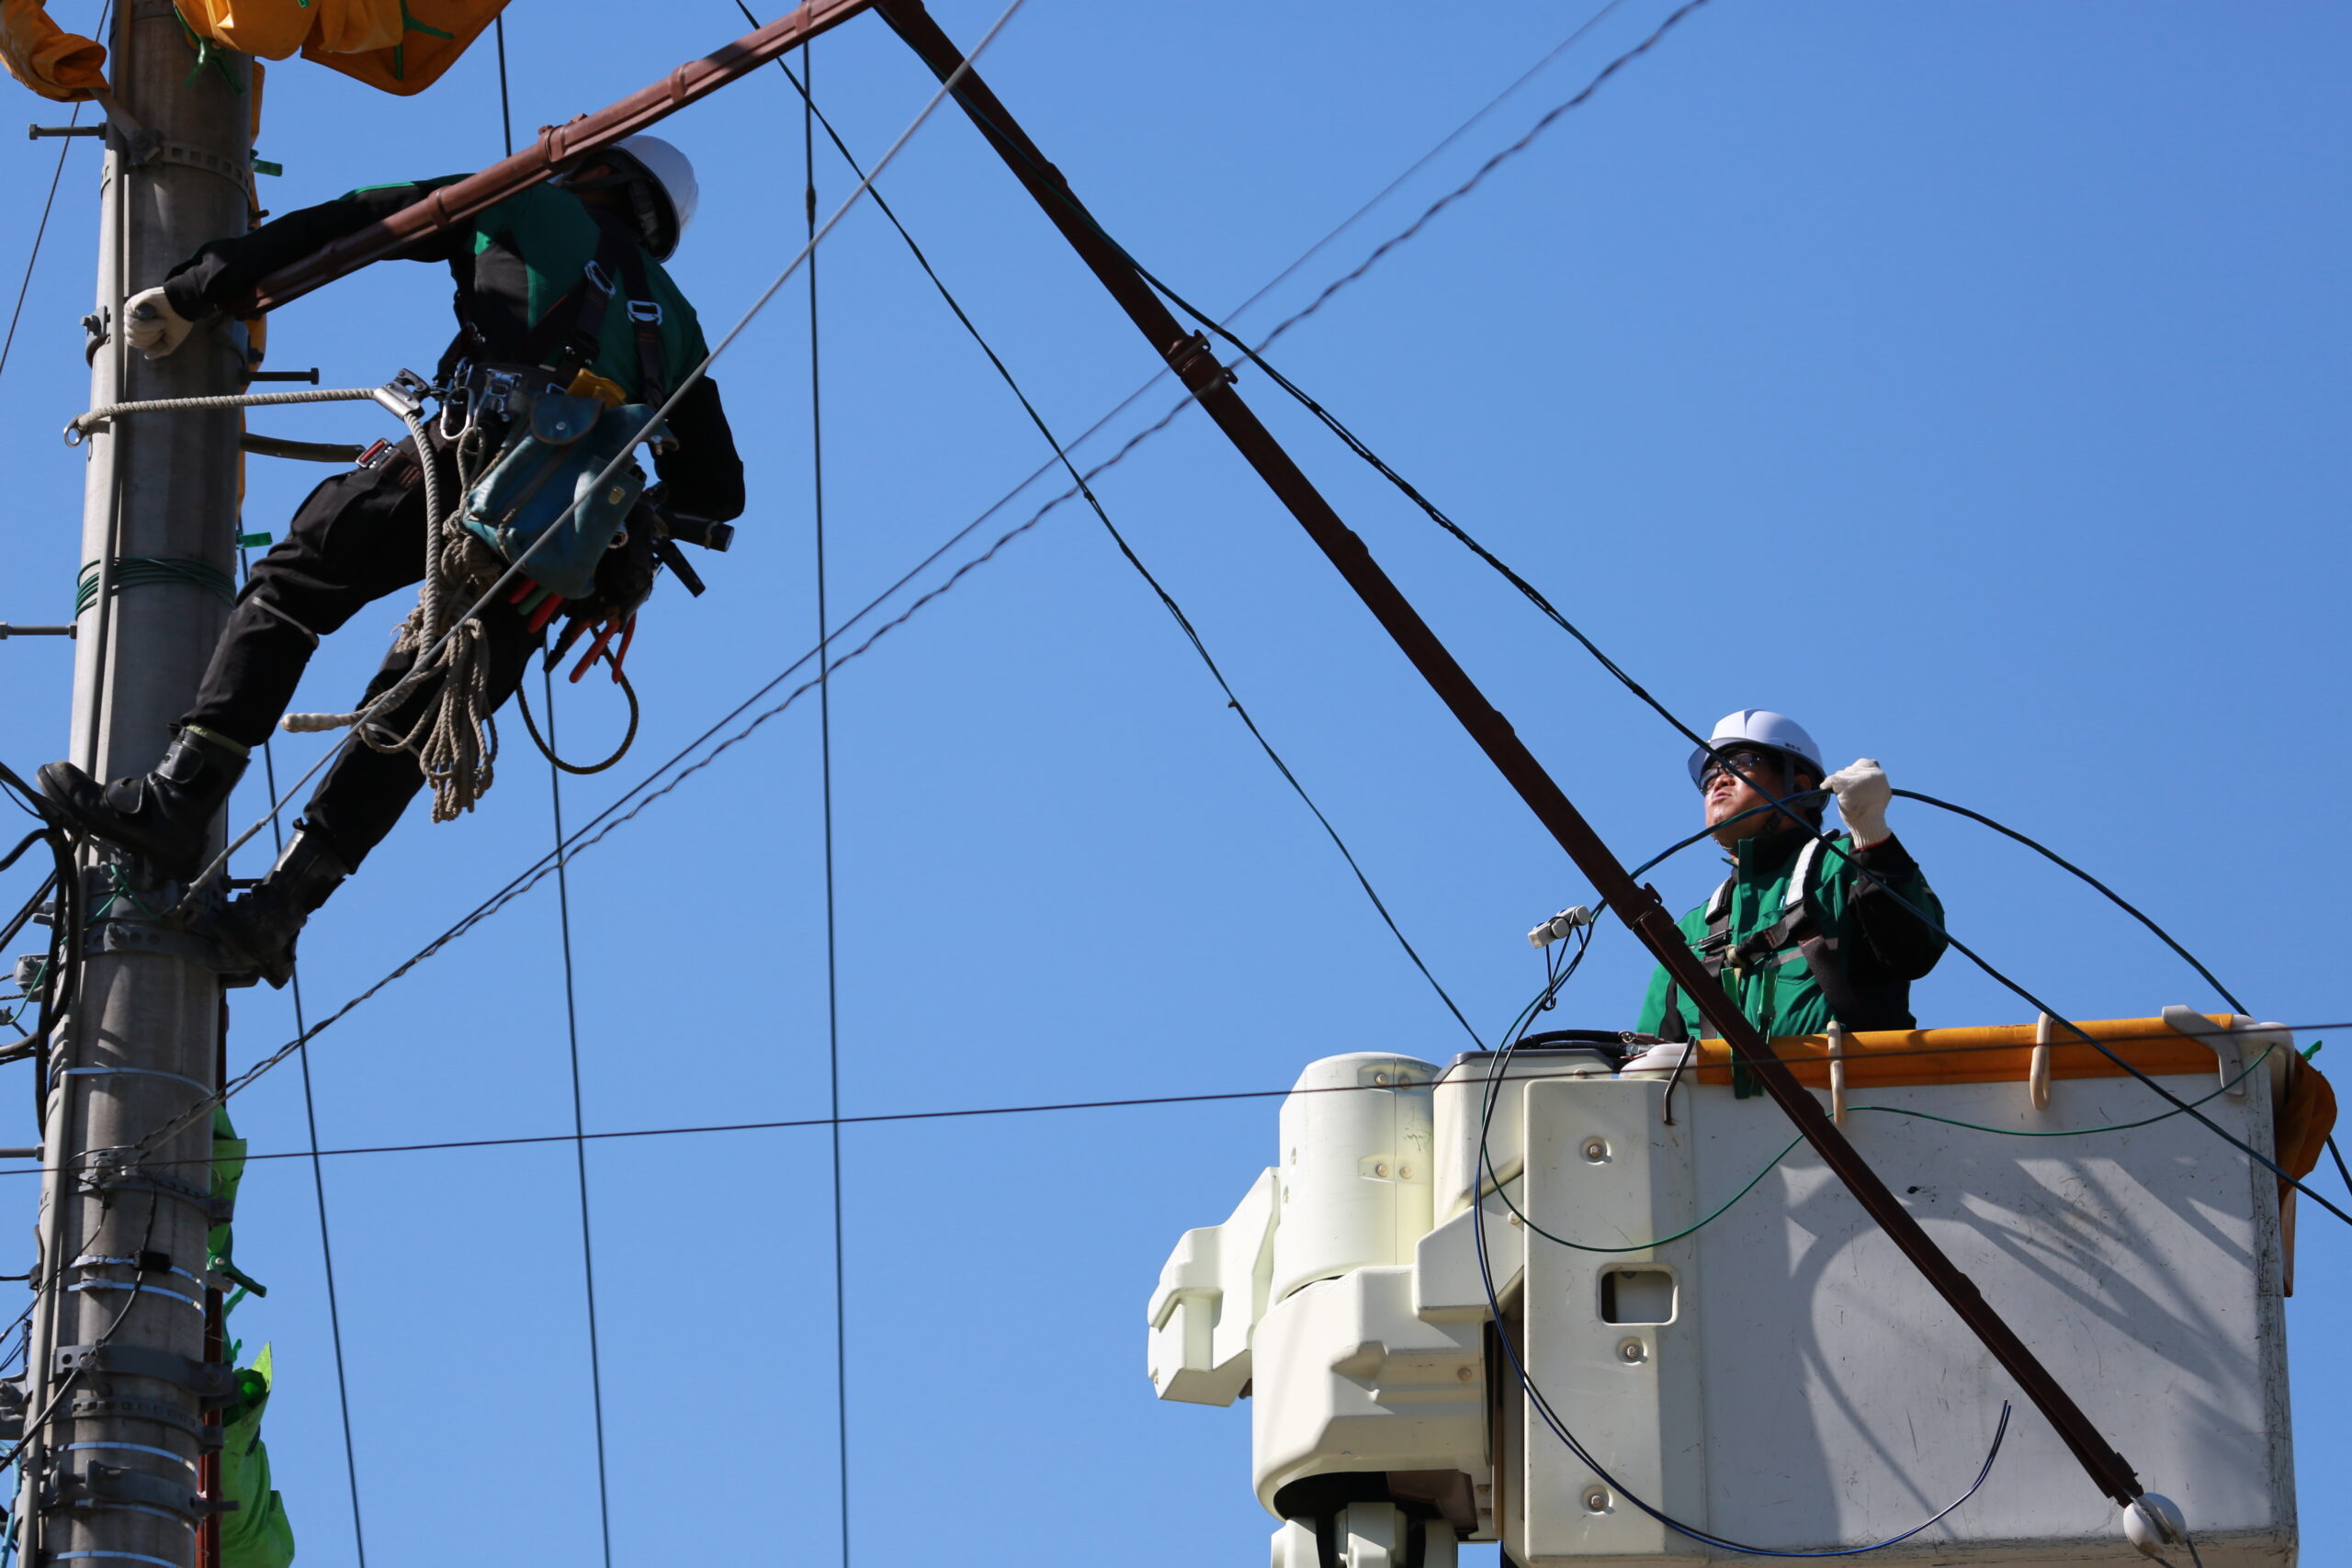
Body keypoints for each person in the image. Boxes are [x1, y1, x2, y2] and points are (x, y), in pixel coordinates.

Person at [40, 135, 744, 987]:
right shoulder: (676, 320)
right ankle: (280, 910)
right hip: (556, 551)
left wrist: (198, 290)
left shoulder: (529, 203)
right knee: (426, 701)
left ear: (597, 171)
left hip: (463, 463)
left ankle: (177, 801)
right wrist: (633, 526)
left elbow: (360, 219)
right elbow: (719, 494)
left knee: (297, 583)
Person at [1630, 709, 1946, 1050]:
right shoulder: (1691, 933)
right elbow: (1649, 1064)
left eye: (1740, 763)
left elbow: (1915, 950)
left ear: (1799, 786)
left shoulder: (1845, 864)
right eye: (1709, 776)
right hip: (1725, 1088)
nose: (1718, 780)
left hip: (1846, 1082)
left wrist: (1872, 836)